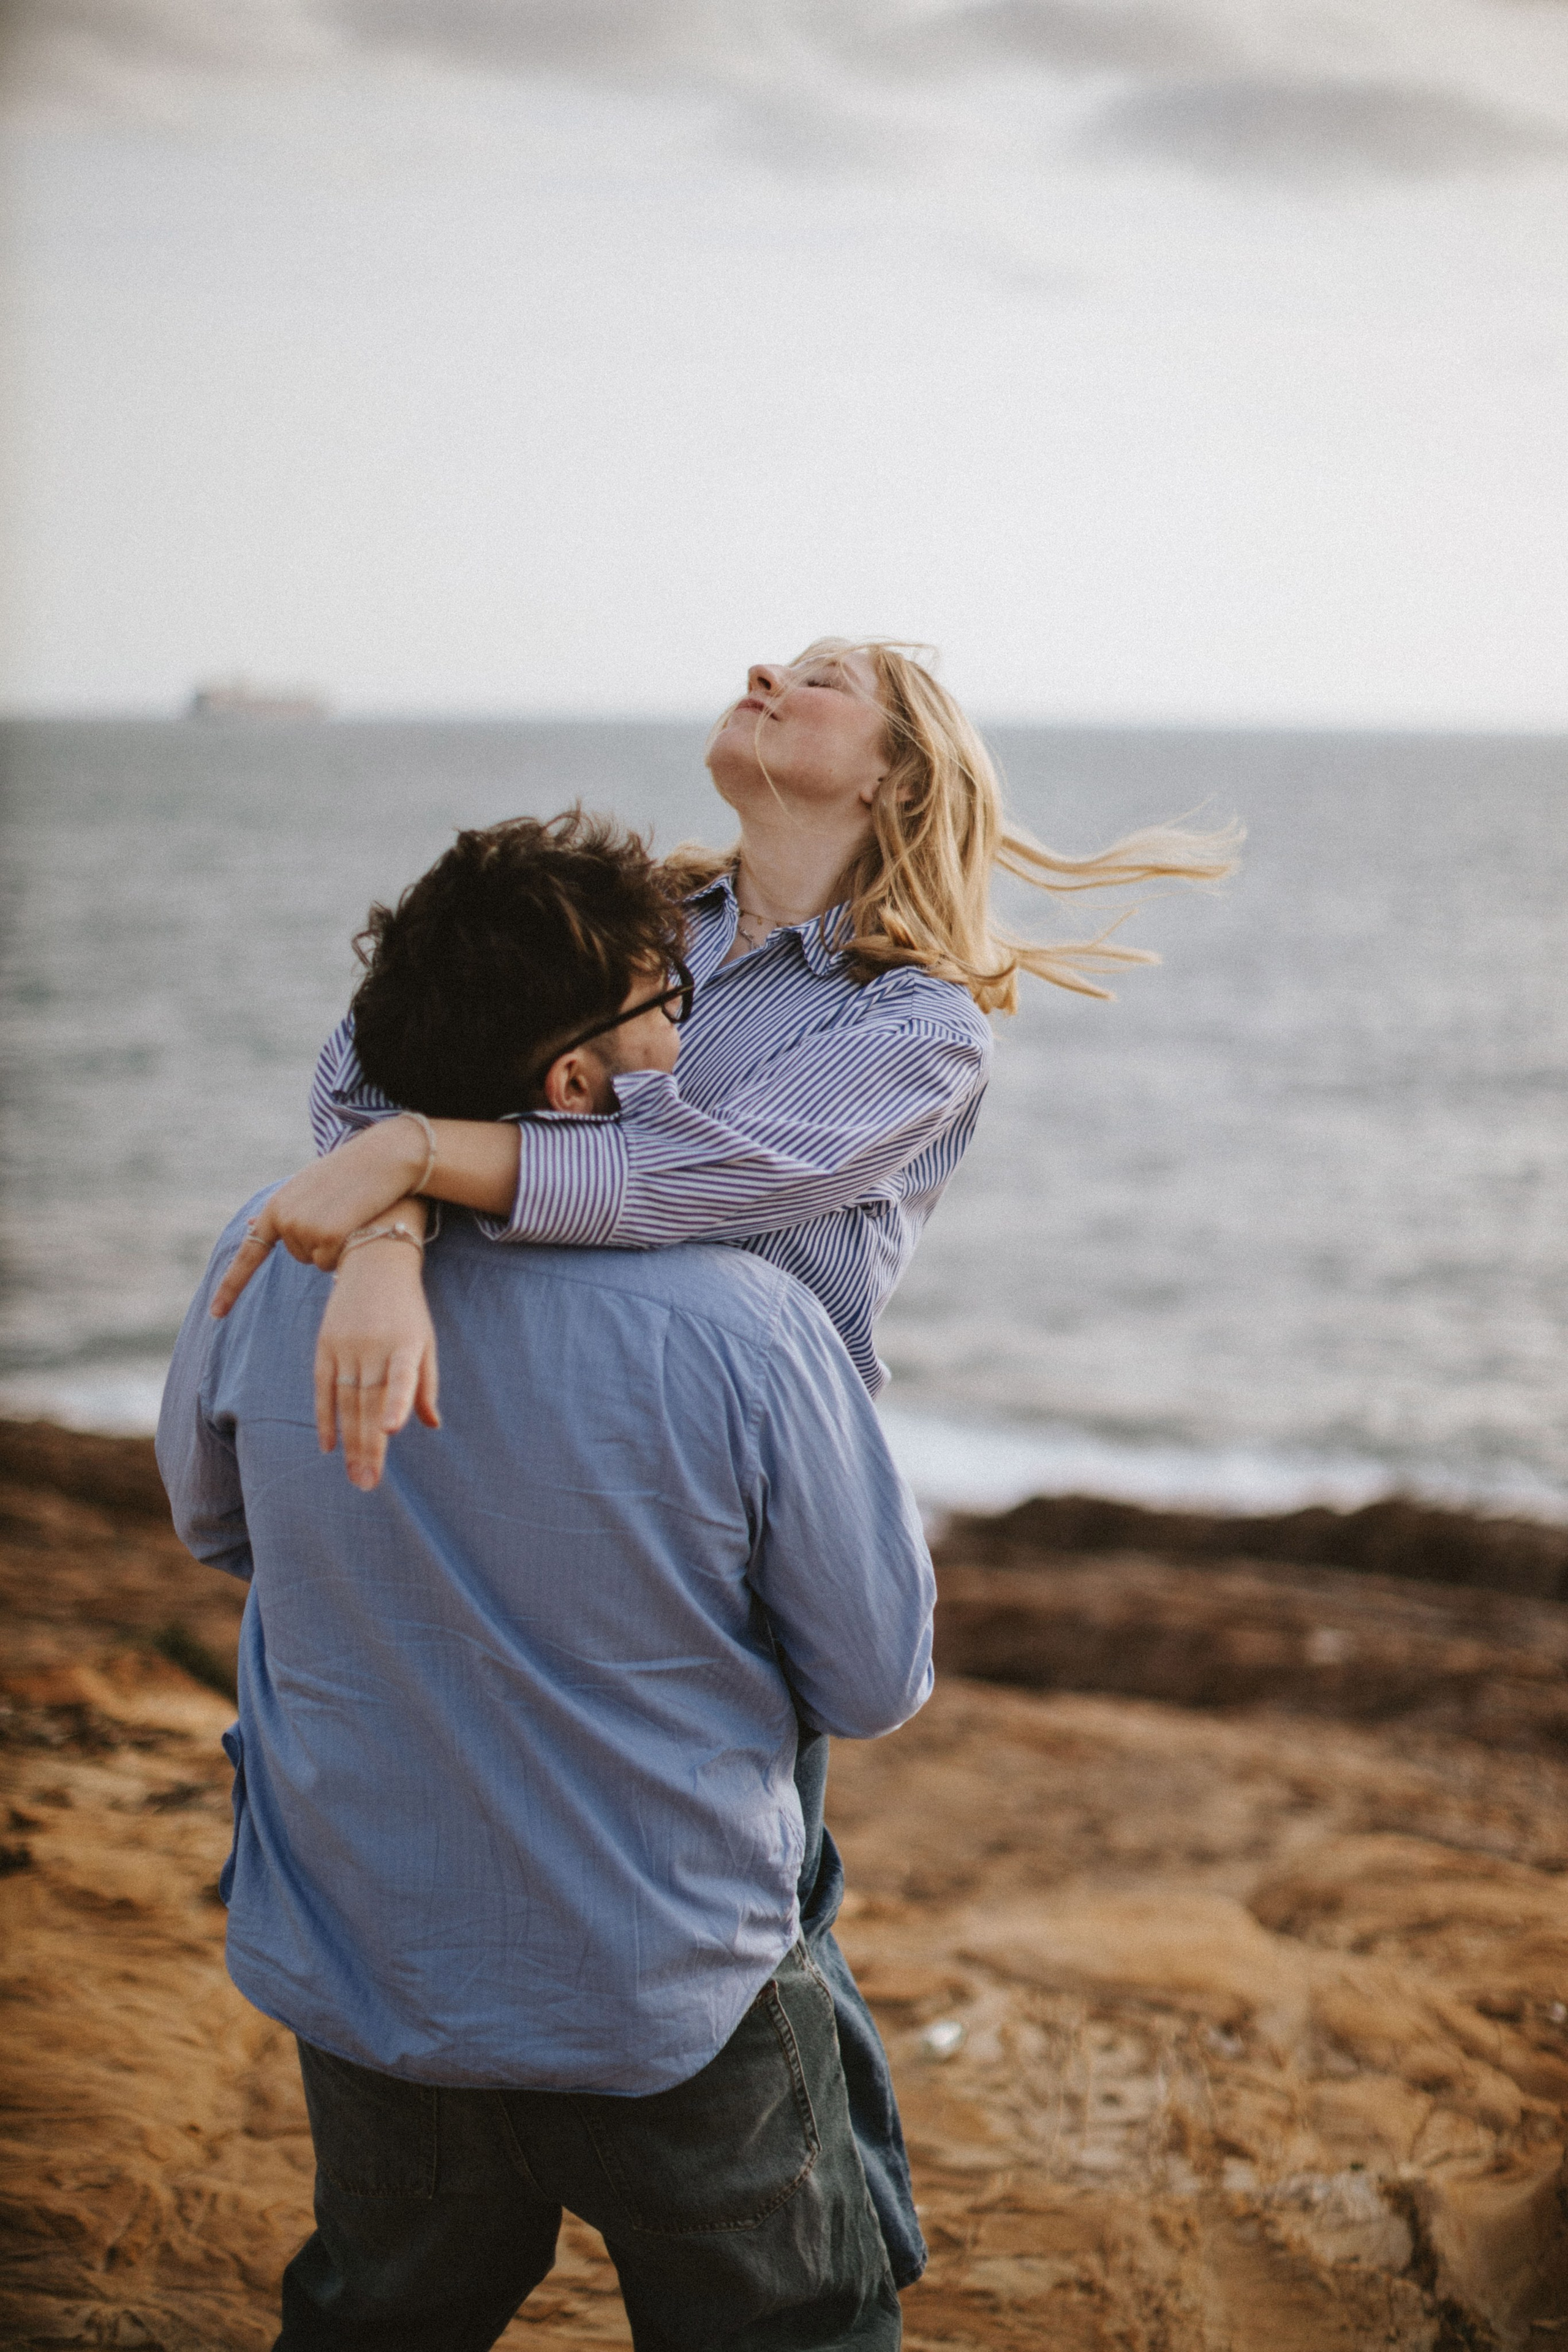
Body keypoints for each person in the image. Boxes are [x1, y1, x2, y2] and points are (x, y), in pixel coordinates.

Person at [213, 638, 1239, 2283]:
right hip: (459, 1447)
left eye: (827, 677)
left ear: (899, 772)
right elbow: (370, 1071)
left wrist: (417, 1152)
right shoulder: (622, 915)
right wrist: (395, 1221)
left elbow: (684, 1180)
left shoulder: (916, 1026)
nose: (768, 667)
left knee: (746, 1929)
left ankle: (811, 2254)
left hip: (703, 1516)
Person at [157, 812, 935, 2351]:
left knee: (375, 2323)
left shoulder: (276, 1246)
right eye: (669, 1005)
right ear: (575, 1083)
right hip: (663, 1995)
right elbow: (872, 1681)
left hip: (372, 1962)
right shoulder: (748, 1325)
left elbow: (215, 1523)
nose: (685, 1043)